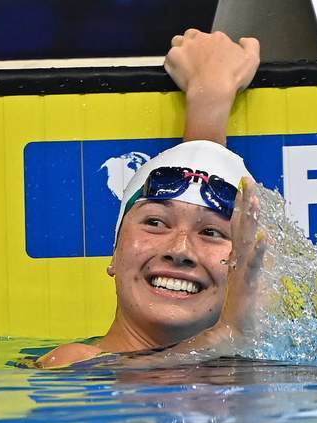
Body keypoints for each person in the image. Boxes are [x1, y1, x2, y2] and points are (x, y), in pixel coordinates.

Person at [38, 29, 265, 368]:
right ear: (115, 250)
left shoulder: (249, 355)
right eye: (156, 222)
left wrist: (210, 99)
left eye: (211, 233)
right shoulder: (71, 362)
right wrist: (225, 334)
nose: (180, 250)